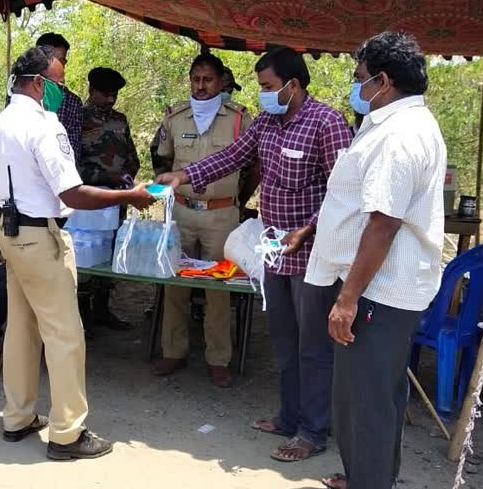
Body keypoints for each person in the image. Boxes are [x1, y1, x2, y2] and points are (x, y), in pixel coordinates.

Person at [155, 47, 352, 459]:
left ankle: (313, 432)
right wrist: (184, 174)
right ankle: (288, 416)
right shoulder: (266, 122)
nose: (262, 94)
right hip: (273, 251)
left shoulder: (327, 123)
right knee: (284, 340)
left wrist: (306, 228)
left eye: (268, 86)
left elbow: (344, 194)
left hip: (313, 256)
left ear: (292, 85)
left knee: (312, 346)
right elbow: (230, 157)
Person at [0, 46, 155, 460]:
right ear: (38, 83)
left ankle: (17, 417)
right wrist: (128, 194)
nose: (62, 90)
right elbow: (72, 192)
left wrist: (3, 227)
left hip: (12, 234)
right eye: (58, 83)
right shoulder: (44, 125)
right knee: (65, 335)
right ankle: (67, 434)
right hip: (42, 237)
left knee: (20, 329)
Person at [307, 32, 446, 489]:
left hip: (378, 291)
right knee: (376, 394)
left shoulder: (399, 137)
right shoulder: (398, 125)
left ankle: (368, 480)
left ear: (383, 81)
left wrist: (347, 299)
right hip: (382, 288)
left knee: (365, 399)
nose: (356, 87)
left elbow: (383, 224)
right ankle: (370, 477)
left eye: (359, 79)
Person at [149, 53, 253, 388]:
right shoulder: (175, 117)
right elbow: (161, 159)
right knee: (173, 282)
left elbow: (254, 165)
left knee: (219, 289)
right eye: (195, 79)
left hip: (221, 214)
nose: (200, 86)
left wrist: (239, 199)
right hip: (180, 210)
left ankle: (218, 359)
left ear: (221, 82)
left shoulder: (239, 119)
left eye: (207, 79)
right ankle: (173, 351)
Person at [79, 67, 140, 332]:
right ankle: (82, 315)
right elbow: (72, 164)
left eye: (114, 95)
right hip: (86, 201)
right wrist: (105, 175)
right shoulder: (77, 119)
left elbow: (131, 156)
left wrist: (126, 176)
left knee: (111, 253)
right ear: (91, 91)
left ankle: (103, 309)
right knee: (86, 256)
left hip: (116, 198)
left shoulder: (120, 120)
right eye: (105, 94)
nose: (110, 100)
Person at [36, 33, 83, 163]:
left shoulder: (72, 102)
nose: (62, 65)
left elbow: (73, 151)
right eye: (58, 60)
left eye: (63, 61)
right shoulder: (19, 93)